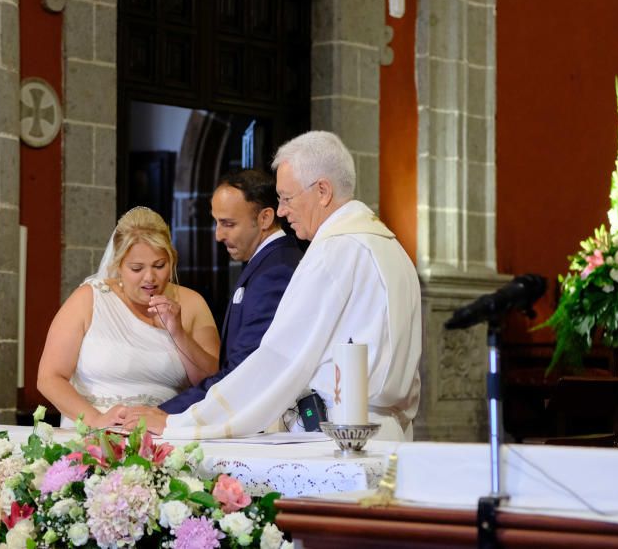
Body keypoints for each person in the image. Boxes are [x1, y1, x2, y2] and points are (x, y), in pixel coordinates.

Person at [126, 131, 422, 441]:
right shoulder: (391, 249)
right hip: (385, 431)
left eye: (286, 198)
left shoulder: (334, 252)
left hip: (337, 435)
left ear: (322, 191)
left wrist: (182, 423)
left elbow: (280, 358)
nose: (281, 211)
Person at [127, 170, 303, 431]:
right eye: (216, 222)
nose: (218, 235)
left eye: (229, 224)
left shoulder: (274, 271)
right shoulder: (268, 263)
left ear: (265, 218)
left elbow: (244, 370)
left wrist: (168, 416)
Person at [37, 206, 220, 428]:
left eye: (159, 266)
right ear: (119, 265)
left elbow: (212, 383)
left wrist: (178, 332)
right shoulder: (89, 298)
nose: (149, 277)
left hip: (164, 433)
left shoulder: (193, 303)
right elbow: (49, 378)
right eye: (136, 268)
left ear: (172, 260)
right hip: (93, 434)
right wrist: (96, 419)